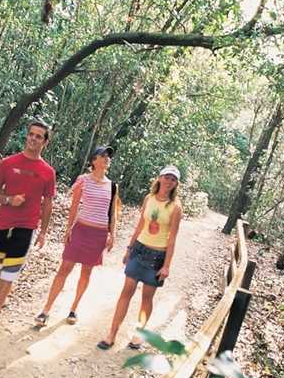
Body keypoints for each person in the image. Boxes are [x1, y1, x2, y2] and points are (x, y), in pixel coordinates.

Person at [0, 119, 56, 334]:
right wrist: (8, 200)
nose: (33, 138)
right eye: (31, 134)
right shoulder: (8, 163)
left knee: (10, 270)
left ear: (45, 142)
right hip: (4, 222)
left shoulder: (48, 171)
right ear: (27, 136)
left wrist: (43, 231)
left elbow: (48, 203)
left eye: (39, 136)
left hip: (26, 225)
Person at [98, 165, 183, 350]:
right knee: (126, 291)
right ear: (160, 178)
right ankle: (112, 333)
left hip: (157, 255)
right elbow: (140, 225)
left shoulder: (175, 207)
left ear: (176, 183)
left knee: (147, 297)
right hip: (139, 249)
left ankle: (139, 334)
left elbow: (173, 238)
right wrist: (129, 249)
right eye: (167, 177)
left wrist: (166, 265)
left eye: (173, 179)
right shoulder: (149, 198)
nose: (169, 181)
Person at [35, 145, 119, 327]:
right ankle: (45, 310)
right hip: (81, 230)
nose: (106, 159)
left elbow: (112, 212)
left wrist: (113, 234)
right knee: (65, 268)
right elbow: (74, 207)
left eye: (108, 157)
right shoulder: (83, 180)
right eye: (103, 156)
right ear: (94, 160)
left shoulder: (112, 186)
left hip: (99, 234)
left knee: (86, 272)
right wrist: (68, 230)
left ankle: (74, 308)